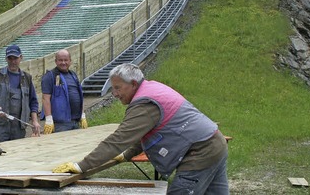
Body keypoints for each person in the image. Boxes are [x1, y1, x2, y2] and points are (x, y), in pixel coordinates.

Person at [53, 63, 228, 194]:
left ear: (134, 84)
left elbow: (119, 140)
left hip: (200, 152)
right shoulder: (152, 89)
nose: (114, 94)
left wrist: (81, 166)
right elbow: (144, 135)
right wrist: (126, 155)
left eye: (118, 88)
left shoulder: (144, 103)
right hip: (214, 143)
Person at [0, 44, 41, 143]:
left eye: (15, 58)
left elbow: (33, 102)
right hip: (0, 127)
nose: (13, 61)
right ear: (6, 59)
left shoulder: (27, 78)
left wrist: (35, 121)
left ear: (21, 58)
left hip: (19, 127)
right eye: (10, 58)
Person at [40, 49, 87, 134]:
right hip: (60, 125)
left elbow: (80, 96)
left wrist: (82, 115)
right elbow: (45, 98)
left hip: (76, 121)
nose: (63, 63)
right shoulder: (50, 76)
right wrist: (49, 119)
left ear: (70, 61)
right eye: (60, 60)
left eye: (66, 60)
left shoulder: (73, 75)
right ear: (55, 61)